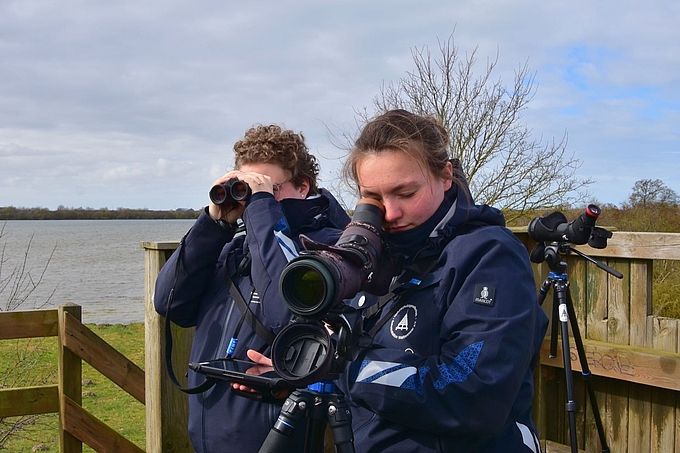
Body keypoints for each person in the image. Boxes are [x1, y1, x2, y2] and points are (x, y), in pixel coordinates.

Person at [336, 109, 549, 452]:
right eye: (373, 198)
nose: (389, 213)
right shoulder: (375, 257)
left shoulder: (490, 256)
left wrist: (345, 367)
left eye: (405, 193)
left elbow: (473, 392)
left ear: (446, 175)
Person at [154, 124, 350, 453]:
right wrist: (213, 225)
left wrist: (261, 208)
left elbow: (285, 311)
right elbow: (170, 303)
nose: (253, 200)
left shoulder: (328, 247)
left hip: (277, 438)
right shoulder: (235, 248)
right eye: (246, 187)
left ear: (303, 188)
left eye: (269, 188)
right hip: (208, 435)